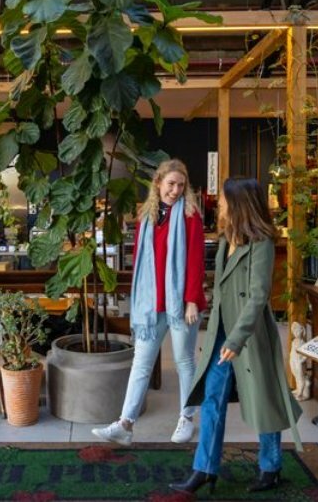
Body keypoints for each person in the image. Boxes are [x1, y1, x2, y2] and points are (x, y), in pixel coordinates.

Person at [170, 177, 302, 495]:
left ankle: (270, 467)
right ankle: (204, 469)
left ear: (240, 204)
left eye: (226, 200)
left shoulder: (263, 242)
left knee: (263, 399)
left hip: (250, 335)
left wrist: (236, 339)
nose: (221, 204)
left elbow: (258, 297)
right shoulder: (227, 237)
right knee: (213, 399)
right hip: (220, 333)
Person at [92, 159, 207, 446]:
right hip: (151, 305)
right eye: (171, 184)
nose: (176, 190)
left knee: (184, 362)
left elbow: (195, 261)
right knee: (141, 364)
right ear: (158, 183)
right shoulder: (147, 216)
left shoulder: (191, 215)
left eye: (181, 185)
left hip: (181, 304)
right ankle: (125, 424)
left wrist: (192, 299)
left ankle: (186, 418)